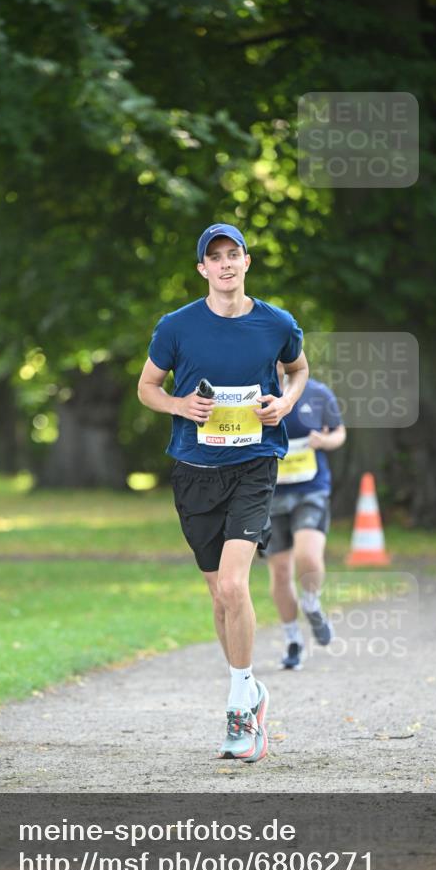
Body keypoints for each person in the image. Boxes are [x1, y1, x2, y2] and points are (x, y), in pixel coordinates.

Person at [137, 222, 308, 762]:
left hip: (255, 465)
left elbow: (298, 370)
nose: (226, 264)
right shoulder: (176, 327)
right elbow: (147, 387)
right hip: (193, 469)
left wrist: (285, 403)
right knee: (219, 594)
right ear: (203, 270)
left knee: (234, 587)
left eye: (233, 254)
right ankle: (251, 690)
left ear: (247, 262)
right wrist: (179, 406)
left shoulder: (276, 322)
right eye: (215, 257)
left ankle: (239, 701)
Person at [257, 362, 346, 670]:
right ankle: (293, 639)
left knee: (308, 557)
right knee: (280, 571)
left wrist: (325, 441)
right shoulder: (253, 393)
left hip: (311, 489)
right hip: (268, 495)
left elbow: (339, 432)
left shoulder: (318, 393)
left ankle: (311, 602)